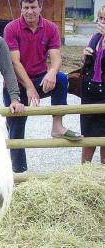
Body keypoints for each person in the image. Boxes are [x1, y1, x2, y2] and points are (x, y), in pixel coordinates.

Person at [3, 0, 83, 173]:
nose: (29, 11)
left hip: (40, 78)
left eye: (33, 7)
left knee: (61, 78)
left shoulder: (51, 28)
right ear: (21, 8)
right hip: (15, 84)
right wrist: (29, 88)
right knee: (16, 128)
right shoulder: (11, 28)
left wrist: (52, 71)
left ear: (40, 7)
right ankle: (19, 172)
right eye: (26, 8)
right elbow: (15, 63)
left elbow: (56, 57)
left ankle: (57, 126)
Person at [80, 5, 105, 164]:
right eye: (100, 18)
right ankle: (83, 176)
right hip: (90, 93)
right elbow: (86, 65)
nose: (102, 22)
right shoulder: (96, 38)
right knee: (88, 140)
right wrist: (85, 56)